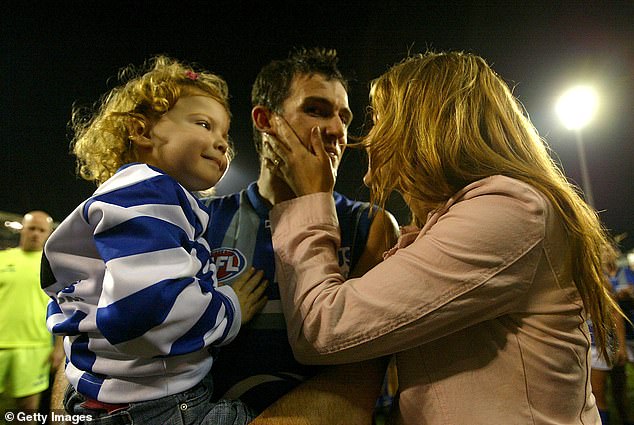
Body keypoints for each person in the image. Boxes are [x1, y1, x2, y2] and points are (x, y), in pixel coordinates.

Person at [263, 51, 625, 424]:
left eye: (380, 120)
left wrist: (310, 199)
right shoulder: (461, 216)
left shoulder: (510, 210)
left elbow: (323, 326)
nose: (365, 138)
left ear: (422, 125)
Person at [41, 56, 266, 425]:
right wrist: (232, 307)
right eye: (204, 124)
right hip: (155, 405)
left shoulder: (121, 194)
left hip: (97, 393)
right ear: (141, 131)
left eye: (225, 136)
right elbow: (144, 313)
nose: (222, 144)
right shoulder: (151, 191)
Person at [203, 47, 399, 421]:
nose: (338, 130)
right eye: (317, 110)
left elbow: (356, 377)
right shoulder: (202, 220)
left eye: (344, 117)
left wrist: (314, 199)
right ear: (266, 120)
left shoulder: (369, 225)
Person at [0, 211, 63, 415]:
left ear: (48, 234)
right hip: (1, 344)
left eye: (41, 230)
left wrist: (59, 349)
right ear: (23, 230)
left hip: (35, 348)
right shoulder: (3, 259)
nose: (36, 234)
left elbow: (63, 307)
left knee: (27, 410)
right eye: (31, 228)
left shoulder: (53, 267)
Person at [590, 243, 628, 424]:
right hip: (580, 344)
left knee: (598, 394)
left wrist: (620, 345)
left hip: (598, 345)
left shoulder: (601, 281)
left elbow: (615, 314)